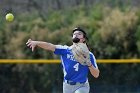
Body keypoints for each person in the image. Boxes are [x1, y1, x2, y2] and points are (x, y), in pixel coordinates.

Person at [26, 27, 100, 93]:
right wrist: (36, 43)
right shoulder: (65, 50)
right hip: (67, 86)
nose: (76, 35)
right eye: (74, 34)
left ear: (83, 39)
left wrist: (89, 64)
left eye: (79, 34)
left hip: (82, 86)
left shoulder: (89, 55)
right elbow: (50, 46)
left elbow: (96, 74)